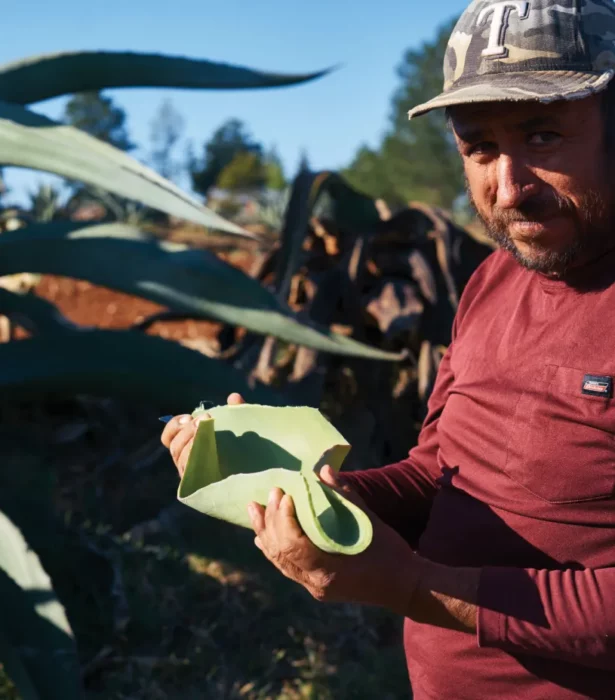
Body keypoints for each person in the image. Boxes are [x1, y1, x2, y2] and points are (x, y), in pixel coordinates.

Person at [161, 1, 615, 697]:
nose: (508, 188)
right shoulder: (493, 280)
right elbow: (441, 474)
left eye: (544, 135)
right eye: (479, 148)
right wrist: (306, 494)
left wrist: (410, 587)